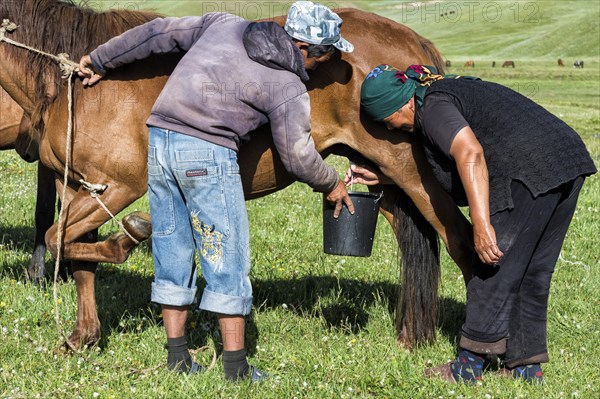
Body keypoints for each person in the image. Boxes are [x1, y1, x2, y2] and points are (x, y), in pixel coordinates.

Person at [78, 1, 355, 381]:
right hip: (207, 154)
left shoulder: (225, 25)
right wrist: (332, 182)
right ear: (305, 48)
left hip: (159, 139)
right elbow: (297, 155)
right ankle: (236, 368)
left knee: (171, 246)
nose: (317, 67)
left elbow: (157, 34)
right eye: (322, 58)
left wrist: (99, 59)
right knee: (226, 255)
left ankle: (177, 359)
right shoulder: (287, 85)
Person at [346, 64, 596, 383]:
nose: (391, 128)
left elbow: (470, 153)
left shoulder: (433, 106)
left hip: (528, 169)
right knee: (533, 270)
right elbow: (448, 171)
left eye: (387, 120)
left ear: (402, 103)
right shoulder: (447, 91)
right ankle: (525, 366)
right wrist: (382, 176)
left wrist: (480, 223)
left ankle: (468, 365)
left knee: (492, 263)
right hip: (566, 161)